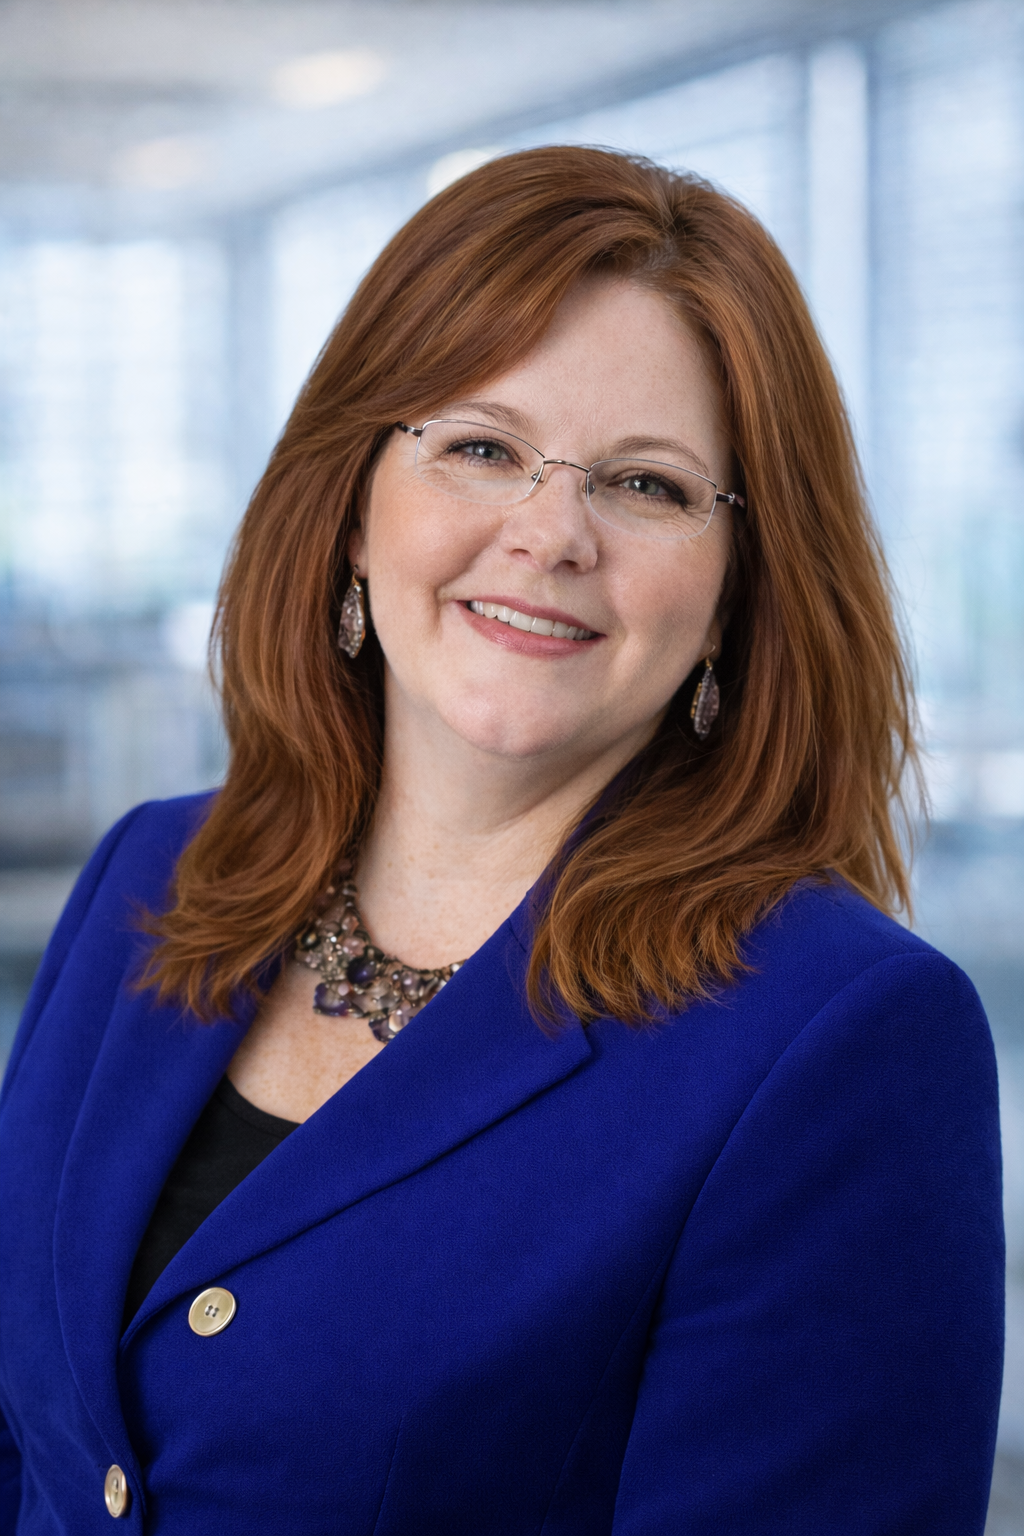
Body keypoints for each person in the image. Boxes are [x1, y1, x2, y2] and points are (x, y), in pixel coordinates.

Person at [0, 147, 1003, 1535]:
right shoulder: (152, 875)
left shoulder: (845, 1041)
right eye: (481, 447)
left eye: (647, 487)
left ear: (731, 598)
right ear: (356, 505)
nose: (549, 534)